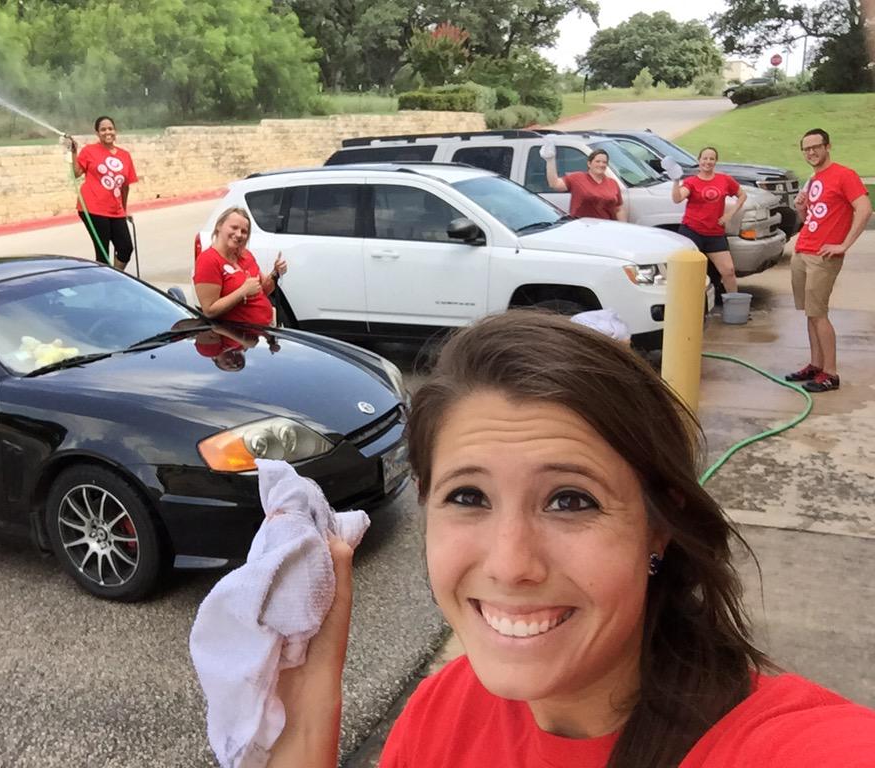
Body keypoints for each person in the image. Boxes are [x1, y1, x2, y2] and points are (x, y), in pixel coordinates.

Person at [266, 310, 875, 768]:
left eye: (571, 500)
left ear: (658, 530)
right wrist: (304, 732)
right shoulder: (442, 710)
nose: (510, 564)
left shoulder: (786, 746)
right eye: (468, 496)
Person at [785, 128, 873, 393]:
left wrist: (844, 244)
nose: (811, 152)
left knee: (819, 314)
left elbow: (865, 209)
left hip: (823, 256)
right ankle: (815, 364)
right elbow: (812, 218)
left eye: (816, 146)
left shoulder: (844, 175)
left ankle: (831, 373)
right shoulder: (814, 179)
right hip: (803, 250)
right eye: (806, 148)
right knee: (810, 313)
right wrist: (801, 208)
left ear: (827, 146)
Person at [668, 147, 747, 296]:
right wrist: (676, 180)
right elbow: (677, 198)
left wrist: (729, 215)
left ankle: (734, 304)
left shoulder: (724, 179)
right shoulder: (691, 182)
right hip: (692, 231)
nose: (708, 162)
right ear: (699, 160)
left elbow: (742, 195)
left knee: (728, 271)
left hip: (715, 233)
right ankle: (687, 304)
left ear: (716, 161)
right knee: (689, 273)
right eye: (705, 158)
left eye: (711, 159)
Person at [194, 206, 287, 325]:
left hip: (263, 331)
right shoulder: (208, 260)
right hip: (237, 338)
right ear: (219, 226)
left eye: (244, 231)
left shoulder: (245, 255)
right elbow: (209, 310)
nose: (239, 234)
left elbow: (262, 290)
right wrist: (242, 291)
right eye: (234, 227)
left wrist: (276, 272)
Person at [68, 116, 138, 270]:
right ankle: (105, 285)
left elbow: (125, 186)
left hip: (115, 210)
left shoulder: (124, 155)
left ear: (115, 131)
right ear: (97, 133)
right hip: (92, 207)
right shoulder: (89, 151)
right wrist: (73, 152)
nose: (108, 132)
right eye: (103, 129)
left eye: (110, 128)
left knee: (126, 248)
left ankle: (114, 276)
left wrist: (124, 210)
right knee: (103, 252)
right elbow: (76, 173)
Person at [541, 141, 627, 221]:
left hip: (606, 228)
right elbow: (554, 184)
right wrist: (550, 160)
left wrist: (623, 228)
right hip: (583, 228)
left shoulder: (612, 183)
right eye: (597, 161)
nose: (601, 164)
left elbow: (619, 208)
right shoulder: (577, 178)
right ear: (589, 163)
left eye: (604, 162)